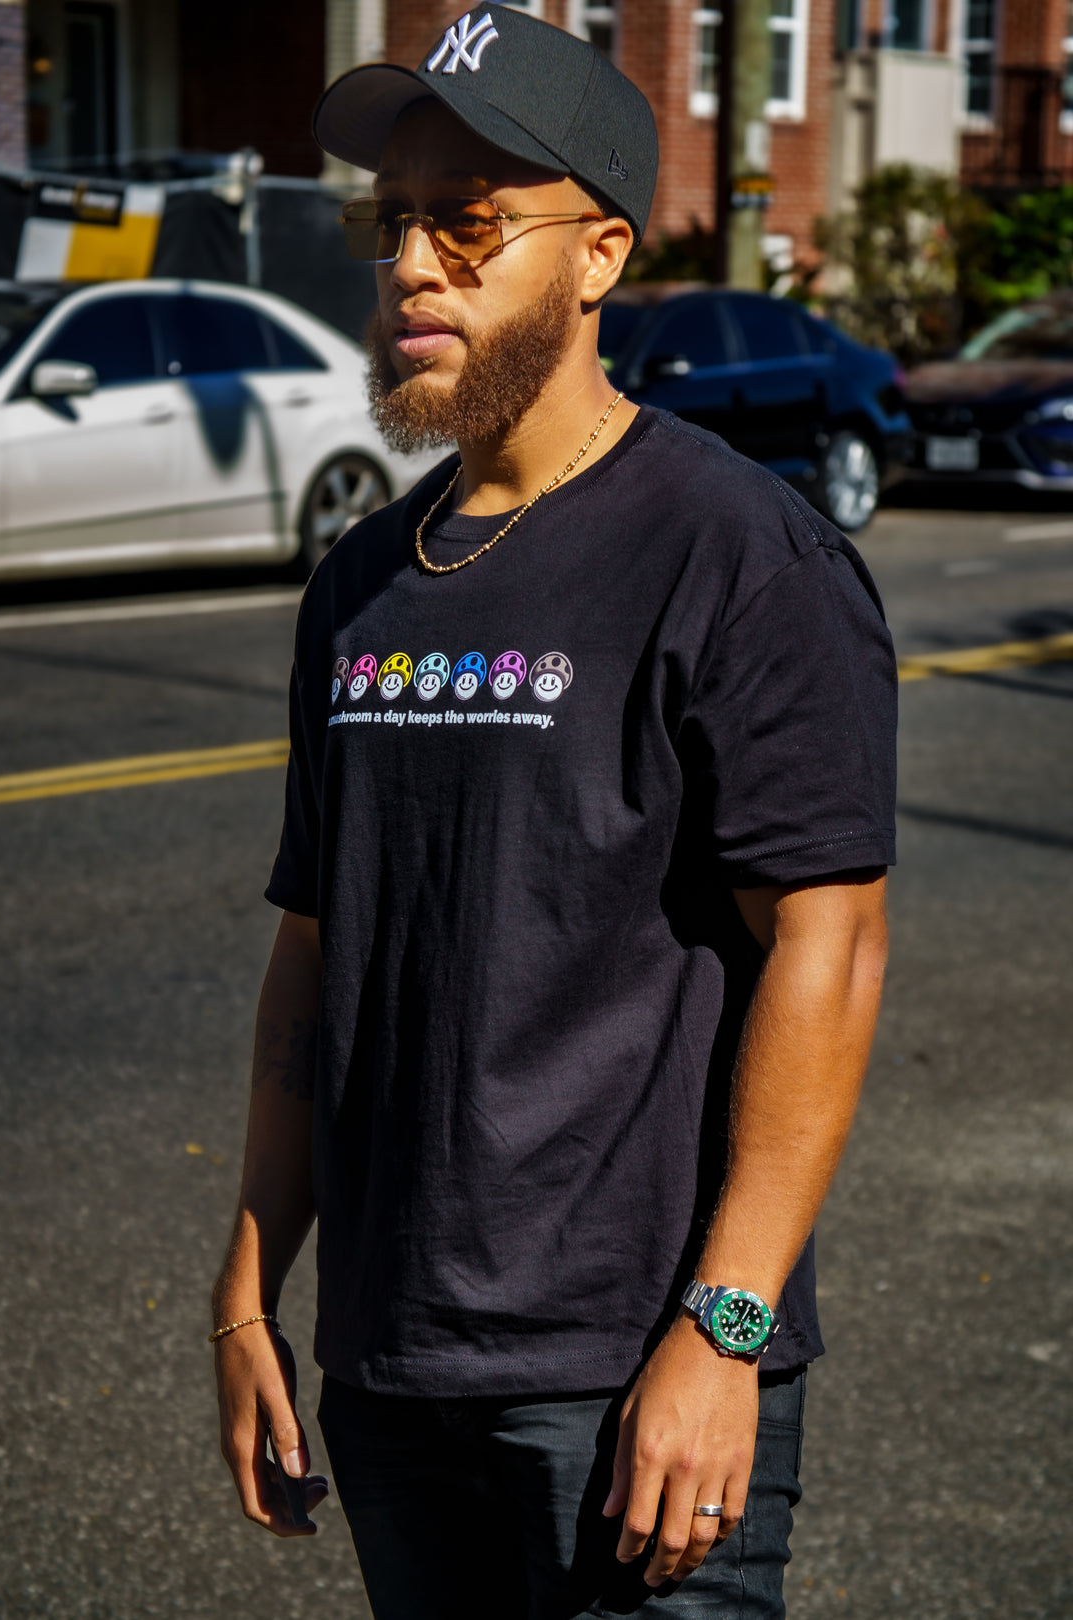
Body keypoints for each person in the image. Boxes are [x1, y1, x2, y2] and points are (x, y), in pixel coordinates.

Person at [211, 8, 897, 1616]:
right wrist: (251, 1298)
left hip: (631, 1373)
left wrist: (723, 1333)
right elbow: (312, 965)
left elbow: (831, 944)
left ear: (597, 255)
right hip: (394, 1363)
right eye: (398, 226)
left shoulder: (739, 556)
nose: (416, 270)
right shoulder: (361, 591)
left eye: (470, 225)